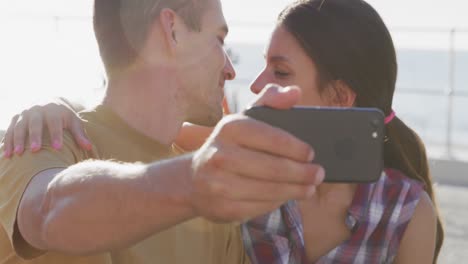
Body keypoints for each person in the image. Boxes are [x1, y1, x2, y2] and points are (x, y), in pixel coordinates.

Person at [3, 0, 444, 263]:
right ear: (172, 29)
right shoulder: (47, 141)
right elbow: (49, 213)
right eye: (220, 40)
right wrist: (195, 183)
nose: (234, 71)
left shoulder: (221, 201)